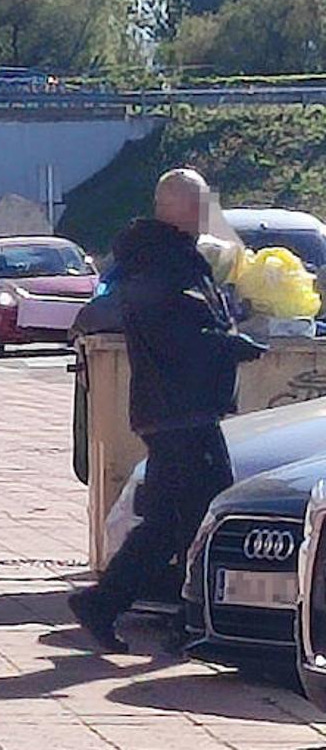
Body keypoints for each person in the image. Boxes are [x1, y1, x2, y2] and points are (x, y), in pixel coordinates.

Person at [68, 168, 266, 652]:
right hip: (182, 410)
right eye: (201, 205)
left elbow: (189, 320)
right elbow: (178, 337)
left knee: (164, 522)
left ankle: (106, 603)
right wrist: (230, 346)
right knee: (210, 516)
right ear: (180, 209)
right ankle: (198, 621)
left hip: (173, 408)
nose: (207, 214)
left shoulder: (164, 257)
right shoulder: (165, 263)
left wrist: (227, 323)